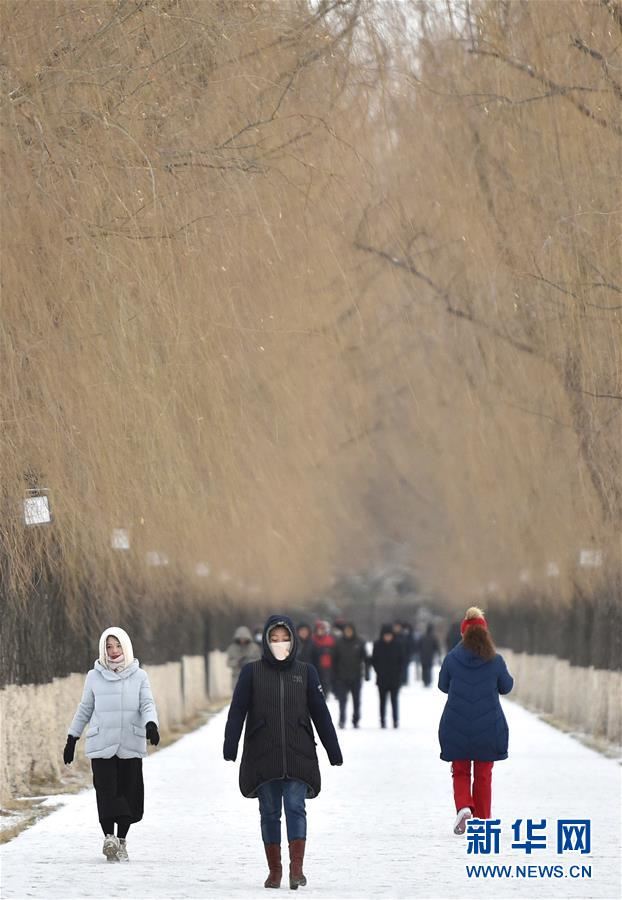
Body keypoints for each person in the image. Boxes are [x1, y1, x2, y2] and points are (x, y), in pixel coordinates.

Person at [223, 614, 343, 890]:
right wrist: (230, 745)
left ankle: (296, 869)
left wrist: (332, 750)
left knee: (295, 806)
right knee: (269, 811)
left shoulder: (305, 672)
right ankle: (274, 870)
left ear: (293, 641)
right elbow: (237, 711)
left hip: (298, 751)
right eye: (274, 639)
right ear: (265, 641)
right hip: (263, 752)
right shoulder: (251, 673)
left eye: (284, 638)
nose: (279, 643)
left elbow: (320, 713)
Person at [63, 627, 159, 862]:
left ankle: (122, 841)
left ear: (125, 647)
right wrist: (72, 737)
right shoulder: (94, 676)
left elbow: (147, 704)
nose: (113, 651)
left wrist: (151, 725)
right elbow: (85, 708)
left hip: (130, 743)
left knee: (128, 794)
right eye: (108, 646)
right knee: (106, 792)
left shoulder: (139, 676)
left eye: (117, 646)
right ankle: (109, 838)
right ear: (102, 650)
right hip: (102, 743)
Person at [438, 606, 514, 835]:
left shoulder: (452, 658)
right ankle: (482, 820)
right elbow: (506, 686)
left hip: (456, 723)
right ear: (485, 634)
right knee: (483, 774)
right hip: (488, 726)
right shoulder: (496, 660)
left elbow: (443, 685)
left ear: (463, 633)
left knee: (460, 771)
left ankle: (464, 807)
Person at [332, 622, 369, 729]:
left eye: (350, 630)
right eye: (346, 630)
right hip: (342, 677)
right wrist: (334, 676)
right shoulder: (338, 643)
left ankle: (356, 720)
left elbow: (365, 659)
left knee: (356, 700)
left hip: (356, 676)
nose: (348, 632)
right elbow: (334, 660)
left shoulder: (360, 642)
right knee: (342, 701)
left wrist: (367, 674)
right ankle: (342, 720)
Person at [371, 624, 405, 728]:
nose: (387, 637)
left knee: (394, 700)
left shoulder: (398, 645)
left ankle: (395, 720)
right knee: (382, 701)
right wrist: (379, 671)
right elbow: (374, 660)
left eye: (389, 635)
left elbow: (402, 661)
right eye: (385, 635)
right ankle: (382, 720)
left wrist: (399, 674)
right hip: (382, 678)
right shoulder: (377, 645)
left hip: (394, 678)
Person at [226, 625, 261, 689]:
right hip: (237, 677)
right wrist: (237, 662)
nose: (242, 640)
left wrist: (248, 662)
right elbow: (228, 663)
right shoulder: (232, 648)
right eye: (240, 638)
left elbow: (259, 661)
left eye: (244, 638)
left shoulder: (254, 648)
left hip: (251, 676)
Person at [311, 619, 336, 697]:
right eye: (318, 629)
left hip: (327, 666)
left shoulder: (330, 639)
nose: (320, 631)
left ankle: (325, 695)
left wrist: (328, 651)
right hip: (315, 665)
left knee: (325, 683)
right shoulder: (312, 639)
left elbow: (335, 652)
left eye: (322, 629)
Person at [418, 623, 441, 687]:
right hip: (430, 656)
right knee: (429, 669)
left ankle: (425, 681)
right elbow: (437, 647)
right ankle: (428, 681)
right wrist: (438, 654)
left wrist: (419, 652)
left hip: (423, 655)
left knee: (424, 669)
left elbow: (418, 646)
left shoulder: (422, 637)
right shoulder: (433, 638)